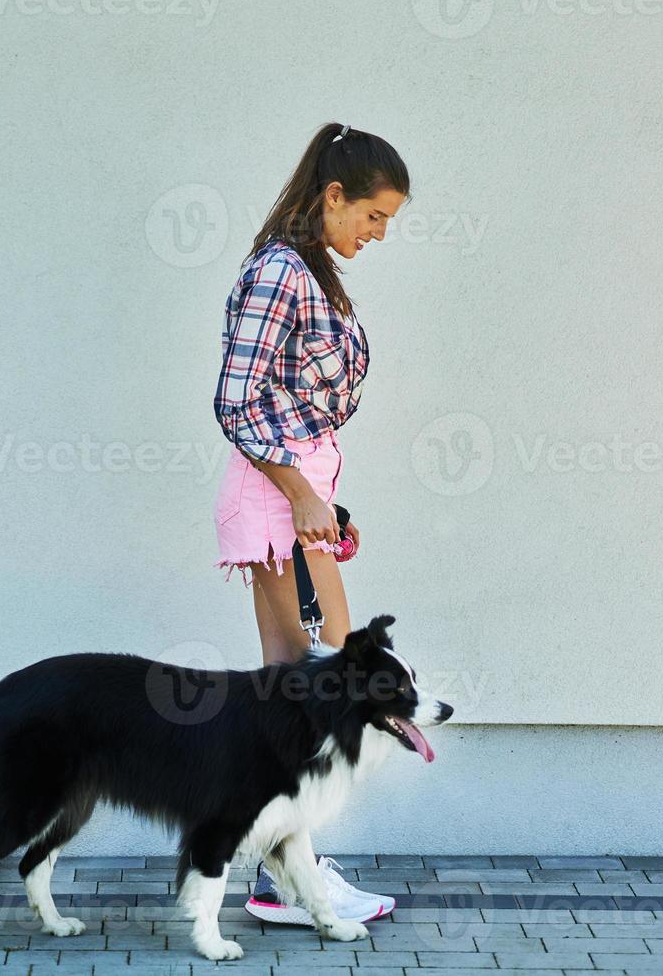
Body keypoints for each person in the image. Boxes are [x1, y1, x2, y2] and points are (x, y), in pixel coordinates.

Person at [210, 122, 411, 926]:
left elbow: (295, 405)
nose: (378, 233)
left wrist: (322, 499)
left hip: (298, 498)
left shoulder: (314, 273)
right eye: (372, 215)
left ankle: (283, 875)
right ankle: (281, 878)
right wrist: (298, 493)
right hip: (273, 503)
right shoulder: (279, 272)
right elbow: (236, 399)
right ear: (333, 195)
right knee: (312, 681)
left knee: (304, 687)